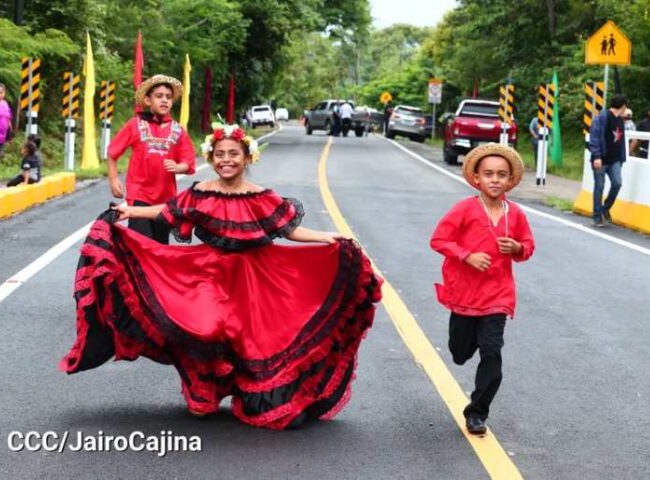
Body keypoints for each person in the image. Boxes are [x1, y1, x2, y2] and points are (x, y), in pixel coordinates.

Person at [59, 122, 383, 430]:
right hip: (207, 272)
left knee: (252, 340)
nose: (226, 161)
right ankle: (203, 392)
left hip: (254, 278)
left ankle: (246, 390)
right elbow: (170, 211)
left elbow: (289, 229)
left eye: (233, 154)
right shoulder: (201, 191)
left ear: (246, 158)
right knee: (203, 325)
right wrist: (132, 210)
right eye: (220, 155)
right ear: (211, 158)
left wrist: (327, 238)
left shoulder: (260, 195)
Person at [430, 143, 535, 435]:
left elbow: (528, 247)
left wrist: (517, 247)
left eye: (502, 174)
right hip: (464, 294)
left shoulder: (515, 215)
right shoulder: (464, 209)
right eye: (488, 174)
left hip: (497, 297)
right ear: (476, 178)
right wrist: (467, 255)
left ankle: (477, 412)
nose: (495, 179)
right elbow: (438, 240)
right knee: (460, 352)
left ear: (510, 181)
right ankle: (466, 343)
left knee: (492, 352)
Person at [107, 74, 196, 244]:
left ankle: (154, 272)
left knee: (160, 245)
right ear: (148, 101)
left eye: (169, 97)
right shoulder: (136, 124)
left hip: (165, 199)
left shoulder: (178, 130)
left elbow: (188, 162)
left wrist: (179, 167)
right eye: (159, 96)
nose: (165, 101)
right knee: (141, 242)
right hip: (138, 194)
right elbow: (113, 152)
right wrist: (113, 179)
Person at [588, 94, 628, 227]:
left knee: (617, 183)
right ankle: (596, 216)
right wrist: (597, 156)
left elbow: (621, 140)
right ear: (622, 106)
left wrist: (622, 158)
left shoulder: (620, 120)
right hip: (602, 159)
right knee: (599, 187)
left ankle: (605, 208)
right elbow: (594, 137)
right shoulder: (602, 118)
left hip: (615, 159)